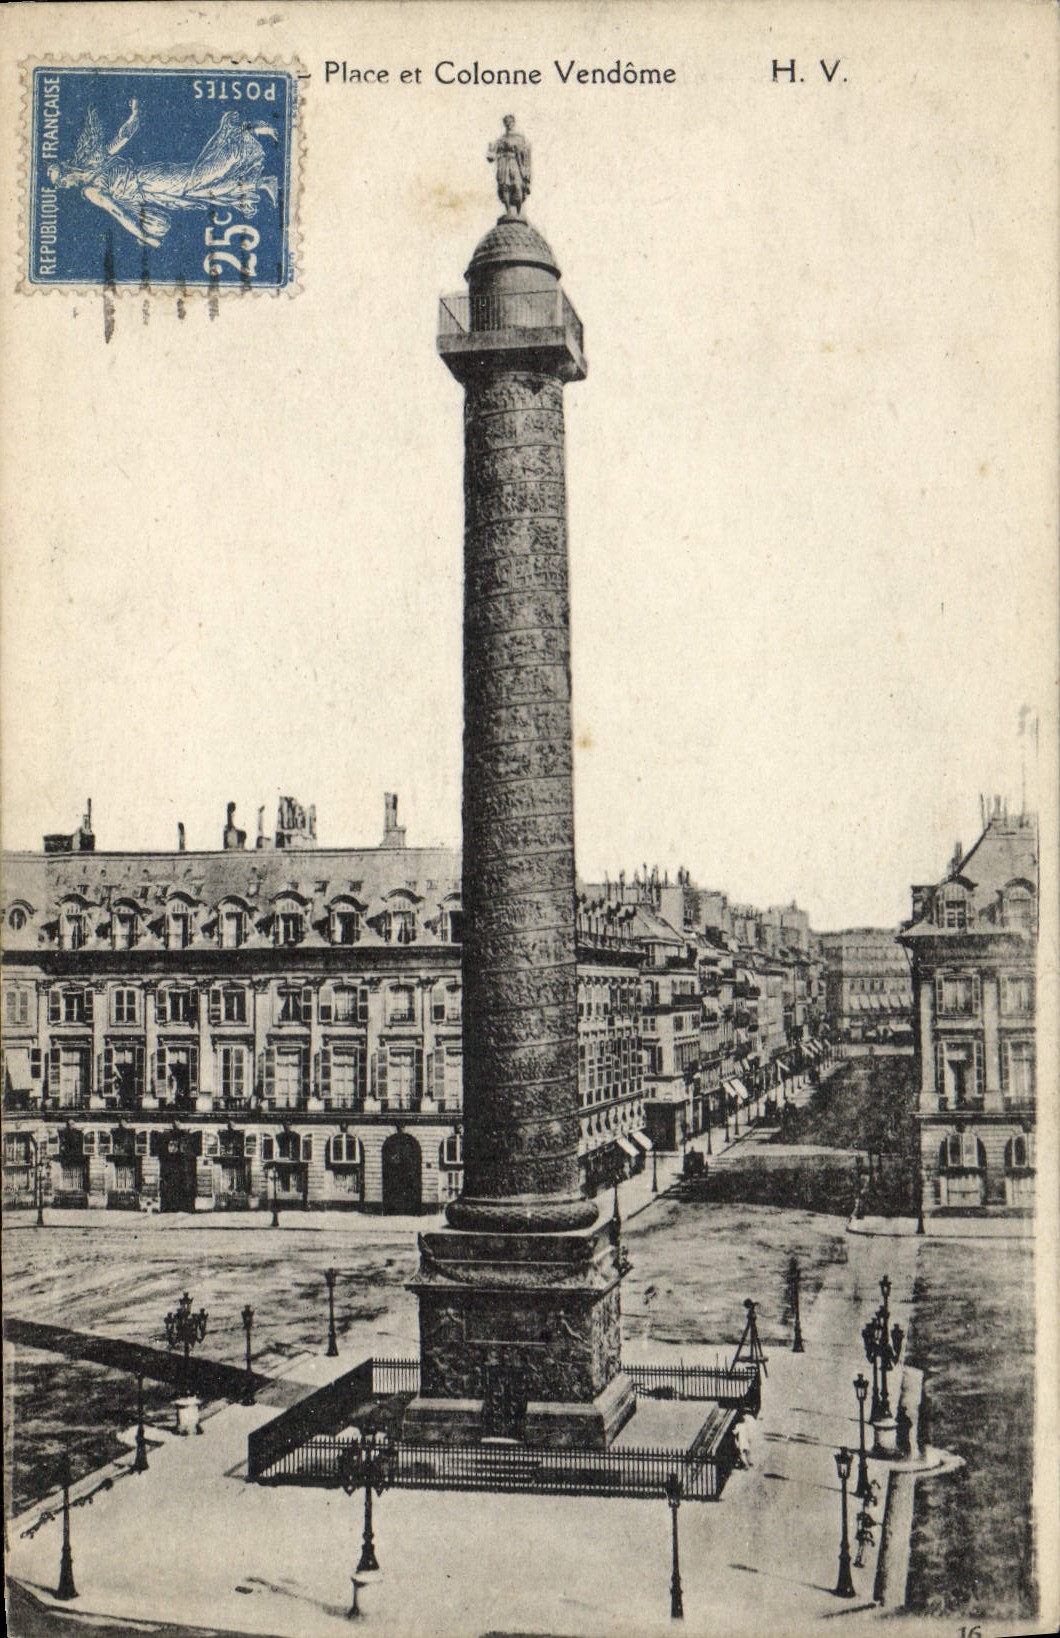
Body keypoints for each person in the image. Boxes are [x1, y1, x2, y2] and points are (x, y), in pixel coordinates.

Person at [48, 101, 278, 248]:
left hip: (148, 179)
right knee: (199, 192)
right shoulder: (90, 188)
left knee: (198, 178)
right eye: (60, 186)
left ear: (67, 171)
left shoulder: (93, 171)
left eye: (62, 181)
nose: (64, 186)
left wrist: (134, 115)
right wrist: (144, 234)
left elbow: (118, 211)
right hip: (150, 194)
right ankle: (261, 183)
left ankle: (245, 131)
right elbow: (119, 211)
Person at [487, 115, 531, 217]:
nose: (508, 124)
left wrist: (525, 170)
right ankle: (509, 212)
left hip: (515, 163)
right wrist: (491, 150)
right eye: (506, 122)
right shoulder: (501, 139)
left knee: (517, 186)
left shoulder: (520, 138)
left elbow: (525, 155)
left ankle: (518, 213)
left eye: (510, 122)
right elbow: (492, 157)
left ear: (513, 123)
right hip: (503, 164)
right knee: (504, 187)